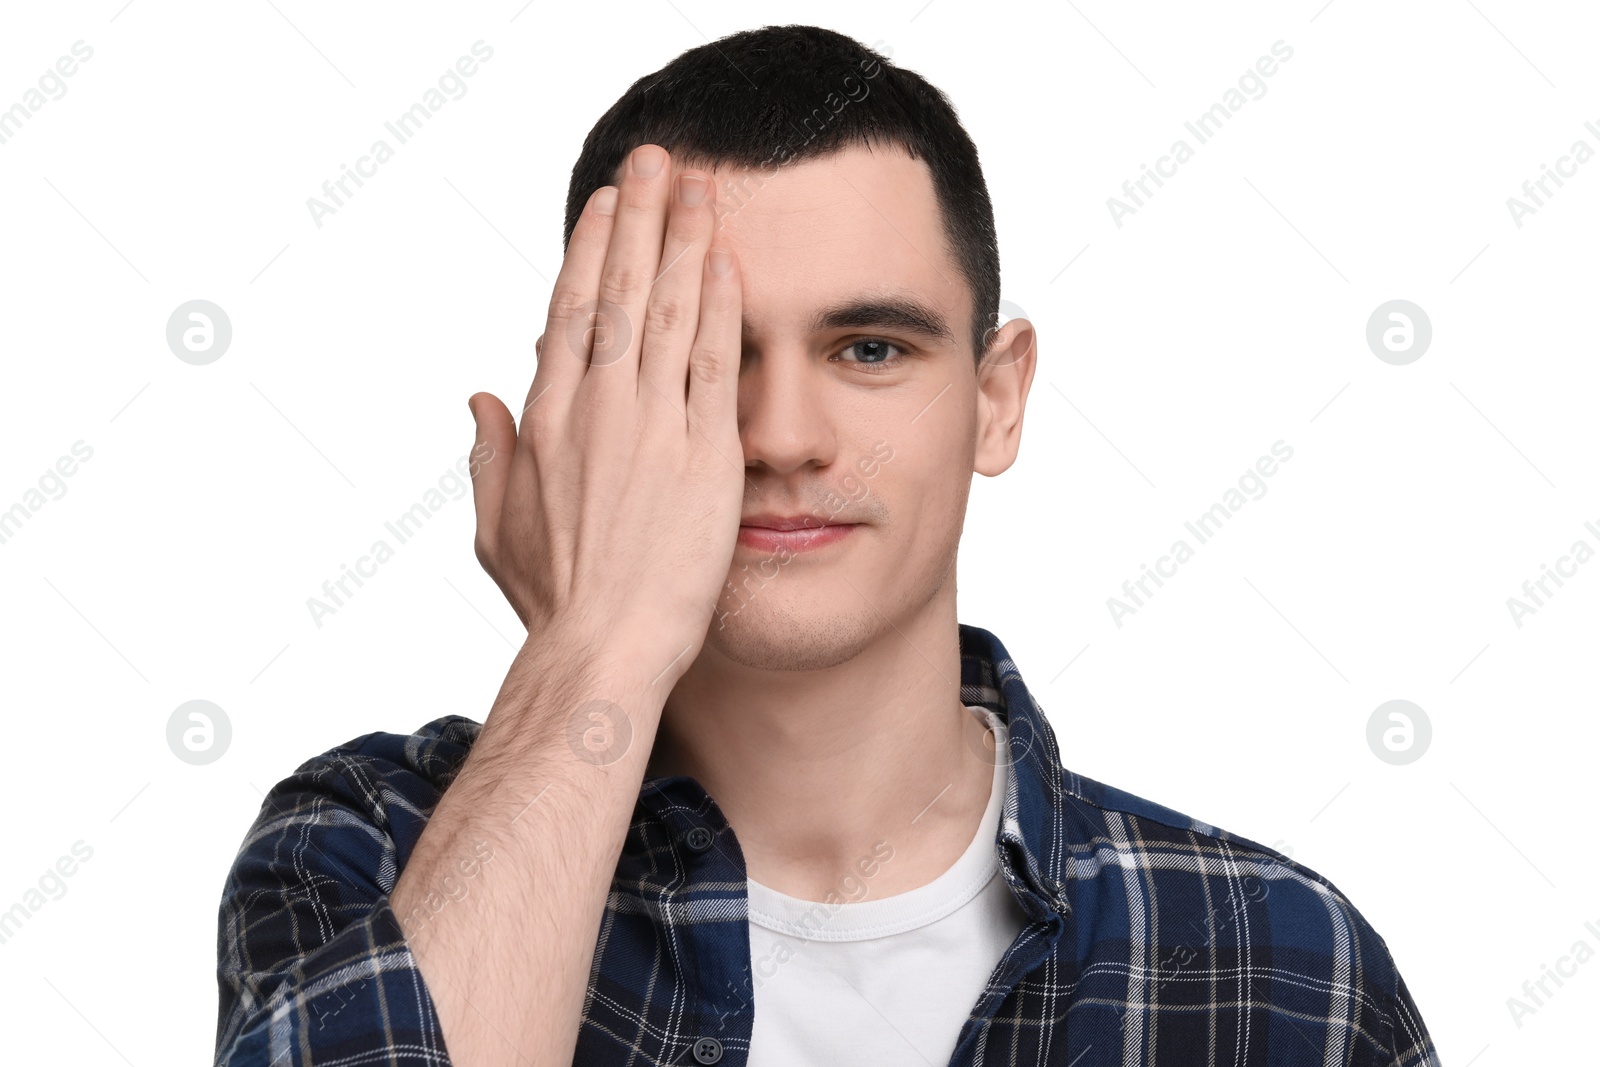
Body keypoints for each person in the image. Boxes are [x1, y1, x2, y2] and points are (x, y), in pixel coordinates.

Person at [215, 24, 1440, 1067]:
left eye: (869, 350)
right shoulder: (368, 846)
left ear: (996, 397)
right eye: (699, 355)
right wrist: (595, 645)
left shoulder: (1277, 957)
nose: (782, 436)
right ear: (581, 398)